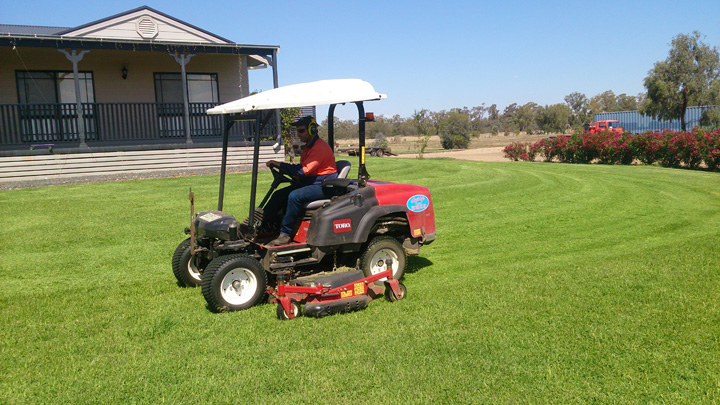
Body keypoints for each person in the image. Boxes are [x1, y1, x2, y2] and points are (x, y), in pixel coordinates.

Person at [263, 116, 337, 246]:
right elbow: (301, 171)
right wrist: (284, 168)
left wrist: (280, 164)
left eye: (301, 131)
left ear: (312, 130)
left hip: (324, 185)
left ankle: (285, 234)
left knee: (294, 196)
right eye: (297, 131)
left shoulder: (319, 148)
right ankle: (262, 225)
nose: (298, 134)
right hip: (311, 182)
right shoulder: (309, 147)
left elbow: (302, 171)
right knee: (278, 195)